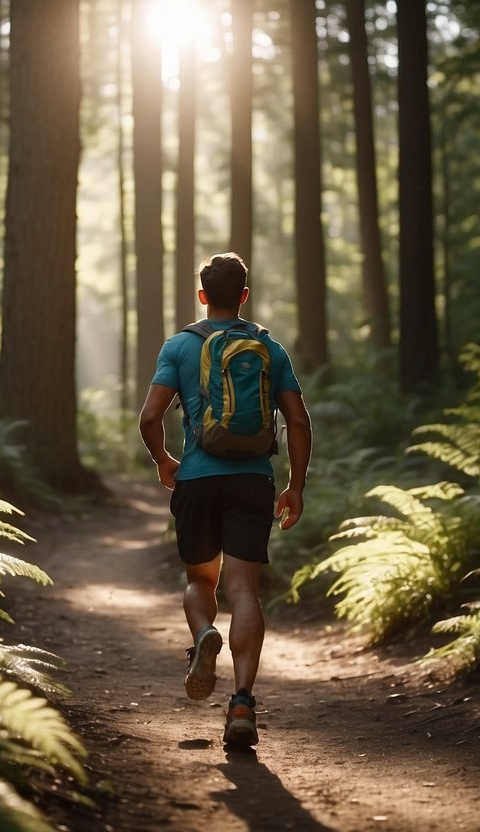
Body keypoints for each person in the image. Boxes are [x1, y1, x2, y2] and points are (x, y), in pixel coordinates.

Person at [138, 252, 312, 748]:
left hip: (195, 478)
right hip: (252, 481)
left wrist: (163, 460)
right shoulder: (269, 350)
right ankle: (242, 704)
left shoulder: (179, 347)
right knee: (243, 592)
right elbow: (298, 423)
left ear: (201, 296)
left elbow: (150, 417)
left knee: (200, 580)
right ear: (243, 296)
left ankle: (201, 637)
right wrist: (295, 484)